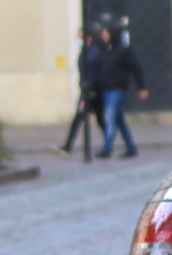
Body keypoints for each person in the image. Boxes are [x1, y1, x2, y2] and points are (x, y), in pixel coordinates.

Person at [93, 24, 147, 159]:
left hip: (118, 89)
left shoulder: (123, 51)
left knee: (110, 117)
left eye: (106, 33)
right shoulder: (104, 51)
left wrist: (142, 87)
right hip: (105, 90)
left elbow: (136, 69)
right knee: (119, 120)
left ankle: (107, 148)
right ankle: (131, 147)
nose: (103, 36)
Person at [60, 26, 106, 160]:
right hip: (87, 89)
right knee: (95, 119)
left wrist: (90, 87)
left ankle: (68, 147)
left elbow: (93, 72)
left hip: (91, 91)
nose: (78, 39)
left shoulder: (93, 52)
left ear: (88, 38)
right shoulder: (86, 51)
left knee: (84, 118)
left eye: (80, 37)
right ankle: (68, 146)